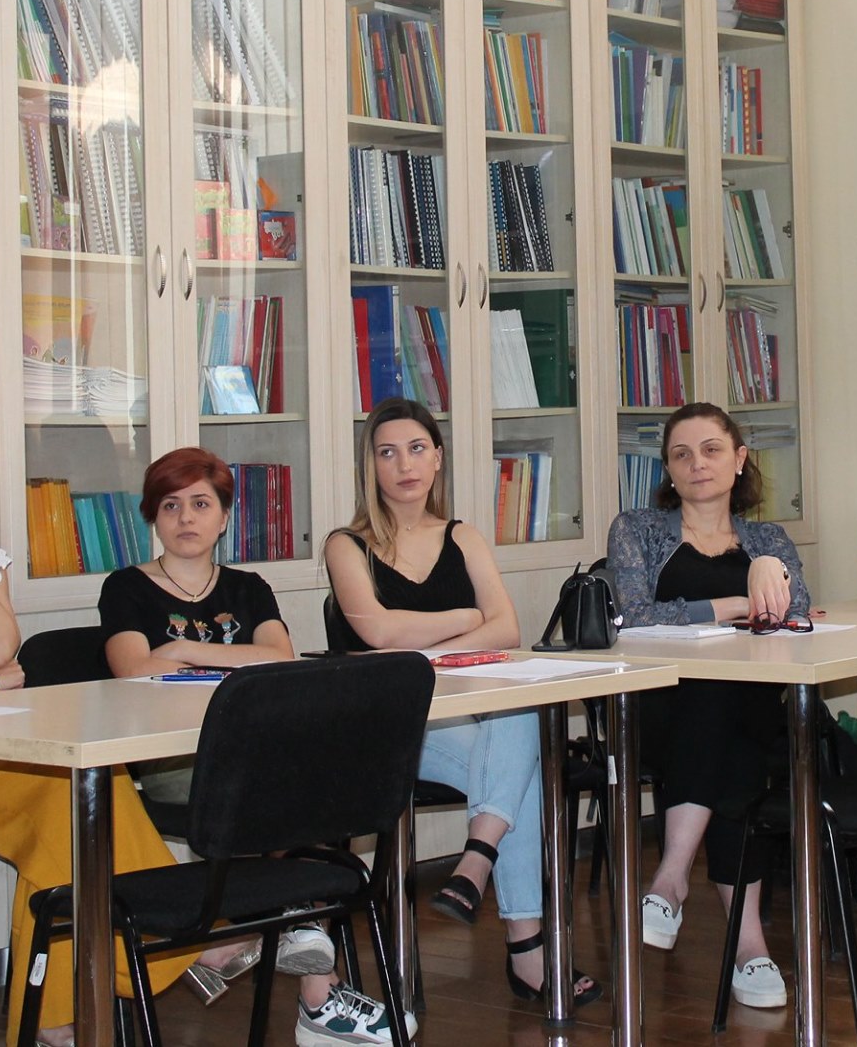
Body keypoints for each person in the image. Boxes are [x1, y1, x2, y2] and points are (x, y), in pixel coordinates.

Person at [0, 407, 328, 1047]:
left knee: (83, 803)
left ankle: (53, 1023)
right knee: (68, 802)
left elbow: (0, 648)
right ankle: (184, 942)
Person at [324, 396, 600, 1009]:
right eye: (387, 452)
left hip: (456, 717)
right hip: (386, 728)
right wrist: (465, 620)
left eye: (416, 449)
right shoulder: (346, 544)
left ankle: (477, 860)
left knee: (521, 709)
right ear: (370, 466)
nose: (404, 465)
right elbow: (379, 632)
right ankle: (524, 945)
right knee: (517, 771)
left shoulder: (463, 536)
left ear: (438, 458)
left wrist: (426, 649)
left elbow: (508, 629)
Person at [100, 445, 375, 1019]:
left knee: (314, 782)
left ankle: (292, 946)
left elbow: (280, 657)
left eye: (201, 504)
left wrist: (180, 650)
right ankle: (311, 965)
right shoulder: (126, 588)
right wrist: (228, 657)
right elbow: (132, 669)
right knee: (292, 790)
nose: (186, 517)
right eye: (171, 505)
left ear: (224, 517)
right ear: (153, 517)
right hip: (176, 761)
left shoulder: (248, 588)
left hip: (256, 753)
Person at [608, 402, 810, 1011]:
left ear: (740, 459)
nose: (697, 464)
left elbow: (798, 612)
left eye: (712, 449)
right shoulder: (638, 529)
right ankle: (749, 947)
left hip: (746, 713)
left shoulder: (768, 540)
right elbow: (634, 616)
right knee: (723, 709)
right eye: (682, 454)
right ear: (668, 470)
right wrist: (735, 605)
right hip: (660, 711)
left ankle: (671, 880)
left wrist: (766, 570)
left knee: (732, 712)